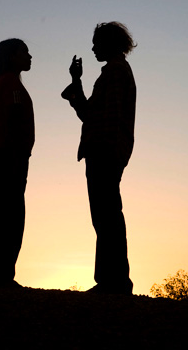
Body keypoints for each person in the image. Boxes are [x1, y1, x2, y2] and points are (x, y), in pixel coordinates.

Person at [62, 22, 137, 295]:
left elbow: (103, 117)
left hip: (104, 151)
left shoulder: (115, 72)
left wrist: (107, 150)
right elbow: (92, 113)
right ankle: (111, 280)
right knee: (106, 216)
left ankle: (113, 281)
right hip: (107, 151)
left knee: (106, 216)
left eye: (97, 43)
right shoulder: (114, 72)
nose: (93, 48)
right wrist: (76, 82)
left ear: (110, 43)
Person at [0, 38, 34, 288]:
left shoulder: (6, 82)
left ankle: (1, 276)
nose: (29, 56)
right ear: (11, 56)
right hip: (11, 153)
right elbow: (14, 118)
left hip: (9, 153)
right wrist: (19, 152)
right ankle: (1, 277)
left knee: (7, 214)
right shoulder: (11, 83)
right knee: (10, 216)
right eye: (24, 52)